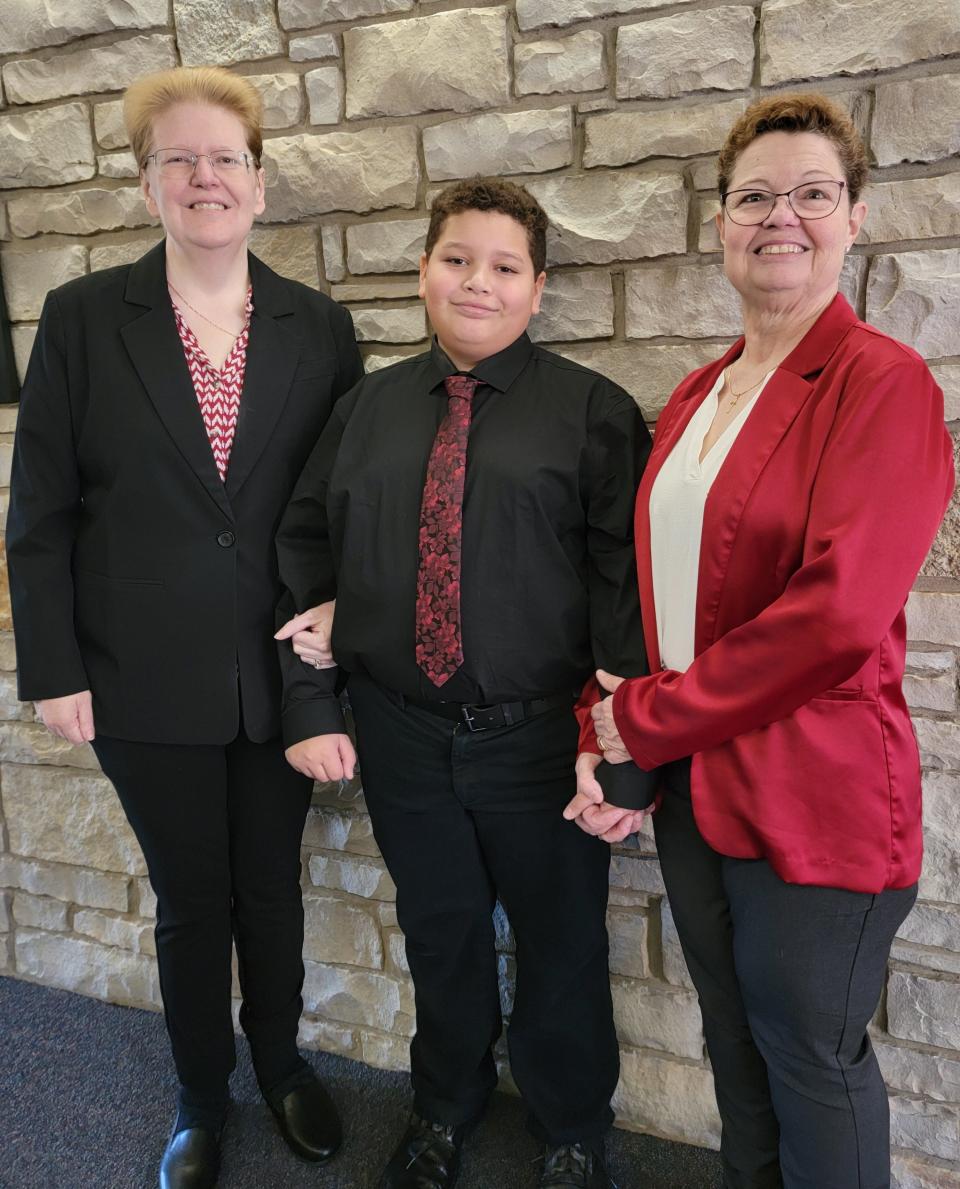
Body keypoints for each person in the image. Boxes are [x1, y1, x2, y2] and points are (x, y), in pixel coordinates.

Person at [565, 93, 955, 1189]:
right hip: (699, 788)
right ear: (722, 222)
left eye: (812, 193)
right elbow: (669, 601)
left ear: (855, 217)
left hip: (814, 795)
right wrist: (628, 755)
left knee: (810, 1059)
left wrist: (640, 718)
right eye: (753, 196)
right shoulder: (698, 391)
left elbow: (833, 619)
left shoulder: (884, 384)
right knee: (733, 1050)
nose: (781, 216)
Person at [6, 66, 362, 1189]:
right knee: (191, 899)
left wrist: (345, 631)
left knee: (272, 888)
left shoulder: (321, 325)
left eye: (226, 159)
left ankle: (282, 1065)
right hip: (136, 681)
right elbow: (42, 515)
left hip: (280, 680)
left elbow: (343, 504)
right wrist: (51, 669)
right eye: (181, 159)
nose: (205, 178)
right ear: (149, 181)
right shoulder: (79, 320)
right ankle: (200, 1095)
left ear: (260, 183)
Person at [274, 177, 656, 1189]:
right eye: (456, 259)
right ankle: (444, 1106)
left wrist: (624, 757)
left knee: (561, 942)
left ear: (538, 287)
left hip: (542, 740)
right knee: (438, 931)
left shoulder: (595, 414)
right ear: (422, 272)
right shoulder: (363, 411)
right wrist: (314, 703)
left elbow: (628, 597)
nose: (476, 282)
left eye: (503, 267)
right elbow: (307, 557)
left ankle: (573, 1127)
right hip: (402, 731)